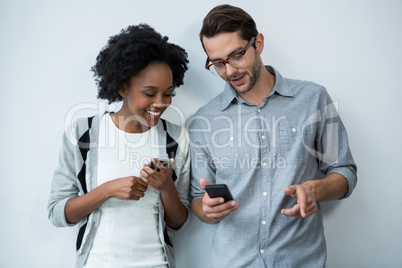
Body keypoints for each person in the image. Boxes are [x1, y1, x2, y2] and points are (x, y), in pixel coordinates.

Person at [189, 4, 357, 267]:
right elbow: (198, 200)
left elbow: (345, 171)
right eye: (218, 63)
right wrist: (207, 211)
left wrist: (316, 188)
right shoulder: (203, 121)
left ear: (258, 43)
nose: (230, 71)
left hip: (301, 261)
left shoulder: (314, 99)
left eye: (236, 55)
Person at [48, 24, 190, 268]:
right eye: (149, 93)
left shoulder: (176, 138)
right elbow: (57, 213)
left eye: (168, 94)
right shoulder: (82, 133)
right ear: (123, 88)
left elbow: (179, 222)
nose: (161, 103)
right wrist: (106, 191)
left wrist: (166, 187)